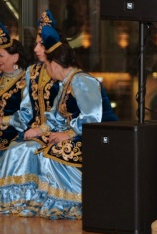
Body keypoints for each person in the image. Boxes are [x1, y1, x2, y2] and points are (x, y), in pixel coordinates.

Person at [0, 23, 106, 219]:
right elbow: (55, 116)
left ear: (55, 64)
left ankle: (73, 200)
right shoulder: (66, 83)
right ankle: (26, 199)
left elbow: (92, 118)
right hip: (75, 134)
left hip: (91, 139)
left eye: (48, 66)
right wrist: (41, 130)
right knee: (24, 148)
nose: (47, 70)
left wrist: (68, 134)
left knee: (48, 154)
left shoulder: (81, 80)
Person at [0, 24, 28, 155]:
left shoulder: (26, 81)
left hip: (12, 142)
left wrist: (3, 120)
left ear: (15, 58)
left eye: (1, 56)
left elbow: (28, 115)